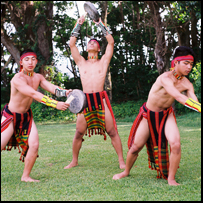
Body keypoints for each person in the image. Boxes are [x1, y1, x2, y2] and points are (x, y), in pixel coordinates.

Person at [112, 46, 201, 186]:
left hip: (166, 115)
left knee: (176, 144)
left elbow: (194, 102)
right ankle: (126, 171)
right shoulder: (165, 78)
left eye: (191, 64)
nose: (189, 67)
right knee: (136, 147)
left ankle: (171, 179)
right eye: (186, 63)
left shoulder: (187, 83)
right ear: (176, 62)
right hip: (149, 114)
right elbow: (178, 97)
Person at [64, 16, 125, 169]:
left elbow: (111, 42)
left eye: (95, 43)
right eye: (89, 42)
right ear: (86, 49)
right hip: (85, 100)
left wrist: (99, 23)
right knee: (78, 132)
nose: (92, 42)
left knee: (111, 131)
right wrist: (78, 24)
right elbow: (72, 44)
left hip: (100, 99)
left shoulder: (104, 61)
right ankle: (74, 161)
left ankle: (121, 161)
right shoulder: (81, 62)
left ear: (98, 49)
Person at [1, 49, 72, 182]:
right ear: (21, 62)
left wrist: (65, 93)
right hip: (10, 116)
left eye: (33, 59)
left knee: (34, 145)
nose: (30, 62)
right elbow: (34, 94)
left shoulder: (38, 77)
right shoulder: (18, 79)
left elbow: (52, 88)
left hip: (26, 116)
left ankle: (25, 176)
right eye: (27, 59)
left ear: (36, 61)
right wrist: (55, 104)